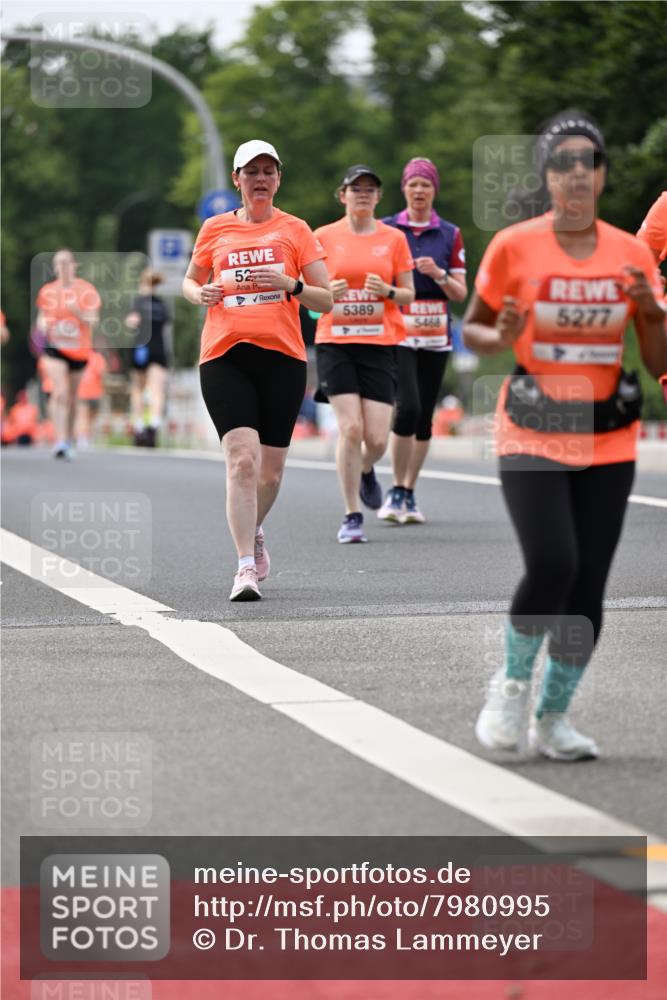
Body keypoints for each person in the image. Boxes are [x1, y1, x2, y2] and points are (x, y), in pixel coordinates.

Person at [464, 111, 667, 761]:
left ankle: (552, 717)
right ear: (547, 175)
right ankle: (509, 688)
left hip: (607, 435)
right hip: (533, 425)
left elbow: (655, 357)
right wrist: (498, 335)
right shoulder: (514, 246)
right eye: (563, 162)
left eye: (589, 161)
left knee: (586, 588)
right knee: (553, 561)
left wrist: (650, 312)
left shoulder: (631, 252)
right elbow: (474, 329)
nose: (577, 172)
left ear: (602, 174)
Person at [182, 139, 332, 601]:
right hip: (224, 354)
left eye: (269, 171)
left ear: (279, 179)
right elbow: (190, 280)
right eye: (252, 172)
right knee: (242, 460)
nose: (260, 179)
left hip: (282, 358)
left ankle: (255, 529)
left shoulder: (295, 230)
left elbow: (326, 299)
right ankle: (245, 567)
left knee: (269, 474)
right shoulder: (215, 228)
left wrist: (291, 284)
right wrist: (200, 293)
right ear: (237, 180)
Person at [314, 165, 415, 542]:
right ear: (342, 195)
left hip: (379, 343)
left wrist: (387, 291)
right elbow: (309, 300)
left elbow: (409, 294)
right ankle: (351, 514)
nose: (363, 195)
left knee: (376, 439)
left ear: (379, 197)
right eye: (356, 189)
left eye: (370, 190)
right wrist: (328, 294)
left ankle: (365, 469)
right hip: (335, 341)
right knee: (351, 428)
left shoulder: (394, 239)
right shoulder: (322, 237)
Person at [379, 157, 467, 523]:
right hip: (399, 330)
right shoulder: (387, 229)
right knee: (408, 407)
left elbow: (460, 292)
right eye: (413, 184)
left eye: (425, 184)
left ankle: (409, 491)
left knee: (425, 417)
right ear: (404, 189)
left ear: (434, 190)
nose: (419, 191)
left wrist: (439, 274)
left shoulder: (449, 233)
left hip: (435, 333)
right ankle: (396, 488)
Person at [35, 248, 101, 459]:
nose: (61, 267)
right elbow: (41, 317)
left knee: (72, 397)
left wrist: (77, 311)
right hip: (55, 348)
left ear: (74, 265)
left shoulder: (86, 290)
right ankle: (60, 441)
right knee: (60, 392)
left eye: (65, 262)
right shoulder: (47, 291)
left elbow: (93, 321)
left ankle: (68, 438)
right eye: (58, 263)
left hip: (78, 351)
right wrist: (42, 325)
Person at [125, 269, 171, 447]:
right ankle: (153, 426)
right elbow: (165, 328)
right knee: (157, 391)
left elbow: (131, 322)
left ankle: (138, 428)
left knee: (138, 388)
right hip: (158, 348)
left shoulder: (138, 302)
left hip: (141, 347)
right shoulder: (162, 304)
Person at [75, 350, 107, 449]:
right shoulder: (98, 357)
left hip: (84, 391)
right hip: (94, 391)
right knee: (89, 417)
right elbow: (103, 373)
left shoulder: (79, 355)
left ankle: (83, 438)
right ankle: (85, 437)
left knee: (83, 417)